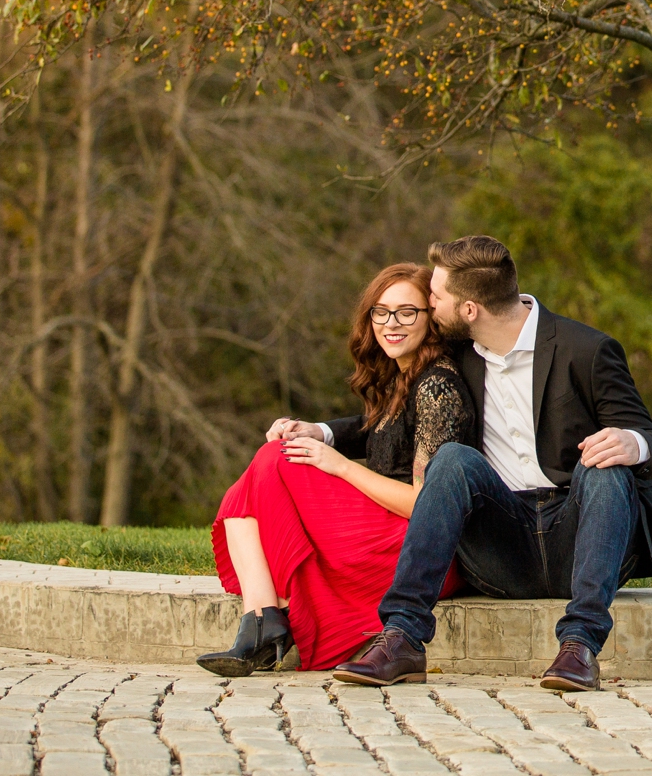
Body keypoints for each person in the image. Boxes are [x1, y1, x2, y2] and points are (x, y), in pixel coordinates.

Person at [333, 235, 652, 691]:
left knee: (605, 465)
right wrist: (321, 432)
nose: (429, 304)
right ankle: (402, 638)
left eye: (436, 297)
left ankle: (579, 648)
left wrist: (632, 444)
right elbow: (393, 421)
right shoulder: (457, 357)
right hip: (502, 541)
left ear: (470, 309)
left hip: (581, 535)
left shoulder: (586, 349)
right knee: (454, 458)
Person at [198, 262, 473, 676]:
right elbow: (378, 433)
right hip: (384, 529)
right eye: (380, 311)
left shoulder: (437, 386)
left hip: (420, 547)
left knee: (273, 462)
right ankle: (261, 619)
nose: (390, 323)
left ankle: (264, 623)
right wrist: (316, 432)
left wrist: (341, 467)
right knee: (266, 468)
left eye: (406, 312)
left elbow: (424, 505)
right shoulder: (402, 376)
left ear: (431, 320)